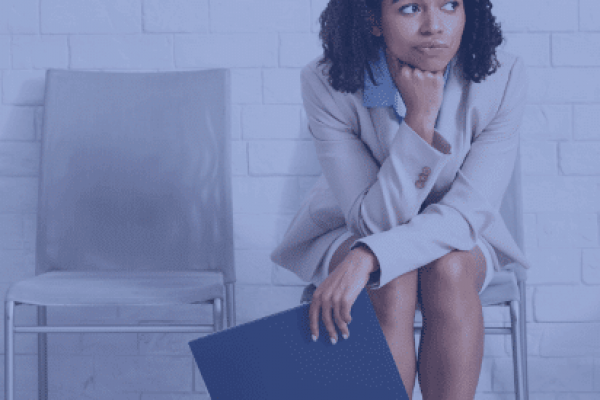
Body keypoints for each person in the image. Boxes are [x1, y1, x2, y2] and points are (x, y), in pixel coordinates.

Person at [270, 0, 531, 399]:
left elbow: (465, 213)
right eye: (410, 8)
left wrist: (369, 256)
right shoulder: (326, 81)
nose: (434, 26)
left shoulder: (503, 77)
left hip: (458, 232)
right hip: (350, 223)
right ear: (373, 19)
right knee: (391, 279)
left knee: (450, 267)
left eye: (449, 5)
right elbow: (369, 221)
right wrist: (420, 121)